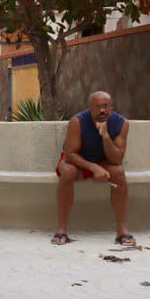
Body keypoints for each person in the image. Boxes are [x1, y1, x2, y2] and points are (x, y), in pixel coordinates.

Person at [53, 90, 132, 246]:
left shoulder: (122, 123)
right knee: (67, 172)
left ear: (111, 106)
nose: (102, 110)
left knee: (118, 173)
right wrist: (93, 167)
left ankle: (122, 230)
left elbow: (116, 159)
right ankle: (61, 229)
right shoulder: (77, 122)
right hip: (77, 162)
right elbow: (69, 154)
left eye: (105, 106)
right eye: (97, 107)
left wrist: (105, 135)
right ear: (90, 108)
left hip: (103, 161)